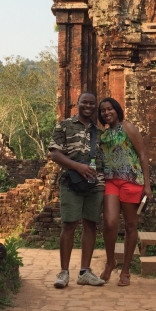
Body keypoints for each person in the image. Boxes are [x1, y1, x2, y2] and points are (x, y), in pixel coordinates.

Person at [48, 92, 106, 289]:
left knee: (90, 225)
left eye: (92, 103)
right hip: (71, 182)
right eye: (84, 102)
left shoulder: (99, 132)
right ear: (77, 103)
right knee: (69, 224)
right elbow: (55, 154)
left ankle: (85, 272)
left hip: (95, 184)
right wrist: (78, 167)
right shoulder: (64, 126)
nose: (88, 106)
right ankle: (64, 272)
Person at [97, 97, 152, 286]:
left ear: (117, 109)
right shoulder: (103, 135)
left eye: (110, 109)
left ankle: (126, 270)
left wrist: (147, 185)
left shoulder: (128, 127)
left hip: (131, 181)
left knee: (130, 225)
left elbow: (142, 154)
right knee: (110, 222)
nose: (107, 113)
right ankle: (110, 261)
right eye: (103, 110)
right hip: (111, 181)